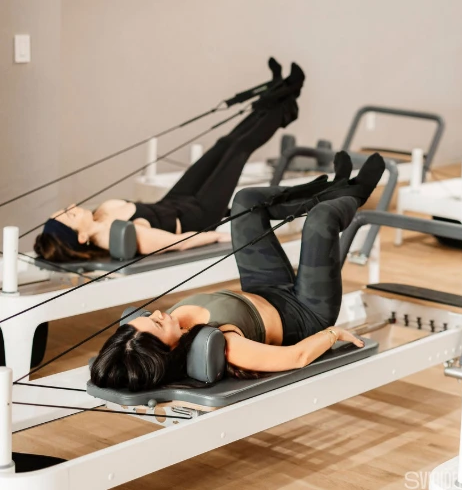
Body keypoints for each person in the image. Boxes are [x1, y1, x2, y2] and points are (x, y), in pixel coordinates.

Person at [90, 152, 385, 391]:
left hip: (263, 287)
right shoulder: (223, 344)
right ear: (167, 349)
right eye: (155, 324)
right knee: (320, 221)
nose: (155, 314)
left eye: (145, 318)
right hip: (307, 310)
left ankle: (331, 188)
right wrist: (333, 333)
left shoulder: (175, 326)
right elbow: (297, 356)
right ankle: (357, 192)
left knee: (245, 203)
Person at [34, 63, 306, 263]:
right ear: (81, 238)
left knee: (223, 144)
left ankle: (275, 96)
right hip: (199, 214)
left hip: (176, 200)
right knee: (237, 150)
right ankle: (286, 103)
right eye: (69, 215)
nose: (71, 207)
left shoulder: (103, 213)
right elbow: (177, 243)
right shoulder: (112, 235)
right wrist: (219, 237)